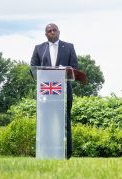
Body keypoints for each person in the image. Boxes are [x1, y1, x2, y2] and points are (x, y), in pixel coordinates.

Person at [31, 23, 78, 159]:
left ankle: (67, 154)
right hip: (46, 93)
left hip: (63, 92)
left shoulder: (69, 47)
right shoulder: (39, 49)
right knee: (45, 123)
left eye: (54, 30)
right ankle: (45, 152)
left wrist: (64, 70)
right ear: (46, 34)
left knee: (65, 122)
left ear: (59, 32)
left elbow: (74, 67)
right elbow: (33, 68)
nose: (52, 32)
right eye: (49, 31)